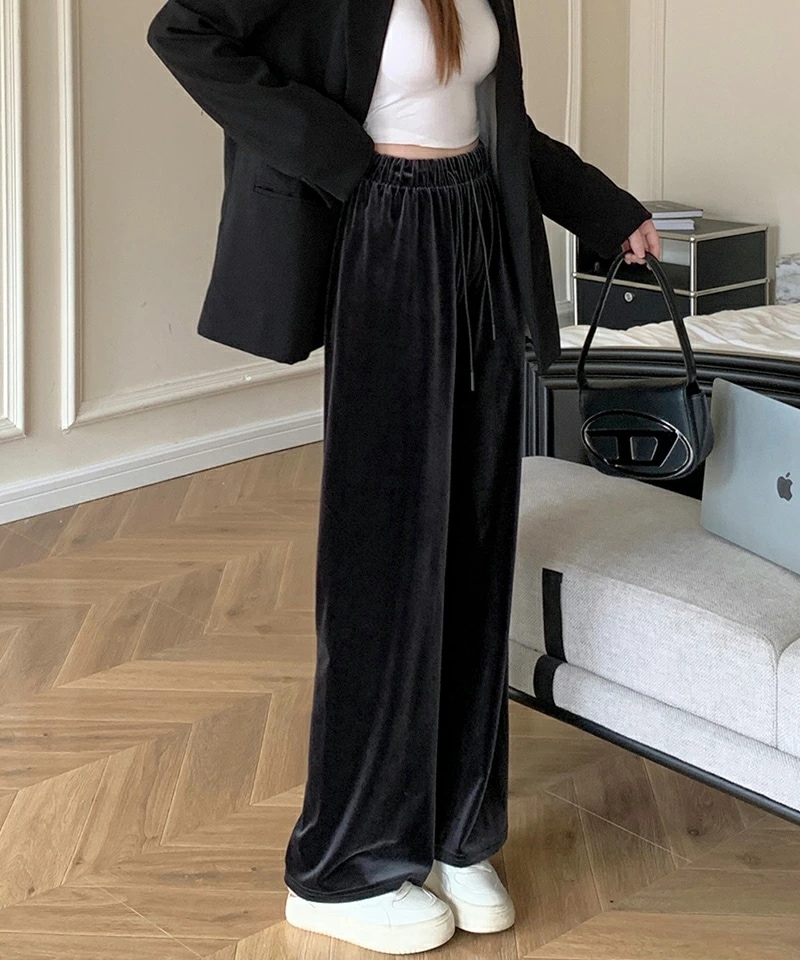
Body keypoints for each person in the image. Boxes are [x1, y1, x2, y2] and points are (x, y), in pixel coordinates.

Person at [147, 0, 661, 953]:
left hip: (479, 238)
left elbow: (501, 125)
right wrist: (339, 155)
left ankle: (455, 831)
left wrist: (608, 210)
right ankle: (343, 868)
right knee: (384, 560)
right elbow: (183, 32)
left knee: (475, 545)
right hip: (386, 232)